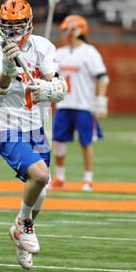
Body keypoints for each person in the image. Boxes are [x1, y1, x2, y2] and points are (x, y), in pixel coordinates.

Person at [0, 0, 67, 269]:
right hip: (6, 126)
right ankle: (24, 223)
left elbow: (55, 80)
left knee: (41, 187)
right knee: (40, 175)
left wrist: (51, 88)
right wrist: (7, 70)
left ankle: (19, 232)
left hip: (36, 126)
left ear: (29, 23)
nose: (15, 29)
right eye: (9, 25)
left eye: (19, 24)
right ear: (1, 26)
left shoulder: (43, 46)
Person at [48, 15, 109, 192]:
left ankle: (88, 178)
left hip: (84, 104)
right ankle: (60, 176)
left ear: (75, 30)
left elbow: (103, 77)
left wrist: (101, 101)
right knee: (58, 140)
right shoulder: (59, 53)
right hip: (63, 104)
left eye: (67, 30)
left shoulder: (90, 52)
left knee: (86, 142)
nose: (64, 33)